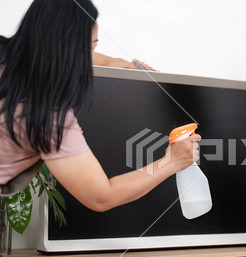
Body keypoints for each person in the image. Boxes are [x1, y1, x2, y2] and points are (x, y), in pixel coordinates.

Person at [0, 0, 199, 211]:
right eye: (91, 45)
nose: (89, 56)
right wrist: (172, 161)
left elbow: (54, 49)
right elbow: (102, 196)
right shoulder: (47, 117)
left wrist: (115, 62)